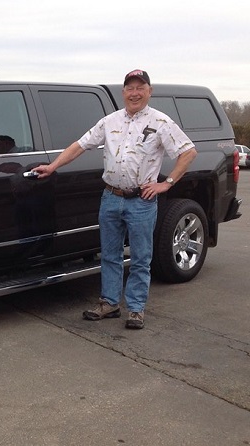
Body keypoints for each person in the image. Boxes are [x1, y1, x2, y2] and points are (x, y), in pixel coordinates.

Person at [34, 69, 197, 329]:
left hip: (141, 201)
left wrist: (166, 184)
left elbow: (188, 152)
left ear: (149, 91)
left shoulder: (161, 122)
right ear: (123, 92)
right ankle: (109, 303)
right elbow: (80, 145)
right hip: (110, 197)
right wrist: (53, 167)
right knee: (109, 254)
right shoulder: (109, 122)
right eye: (129, 88)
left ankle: (135, 309)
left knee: (141, 257)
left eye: (140, 87)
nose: (134, 93)